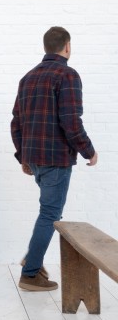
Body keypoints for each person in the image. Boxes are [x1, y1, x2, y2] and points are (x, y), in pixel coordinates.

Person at [11, 26, 98, 291]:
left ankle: (31, 258)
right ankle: (30, 273)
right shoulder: (67, 75)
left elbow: (17, 122)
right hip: (56, 160)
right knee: (50, 214)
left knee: (46, 213)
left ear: (46, 46)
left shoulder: (27, 78)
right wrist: (89, 151)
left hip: (35, 160)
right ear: (67, 46)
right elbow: (71, 121)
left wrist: (23, 156)